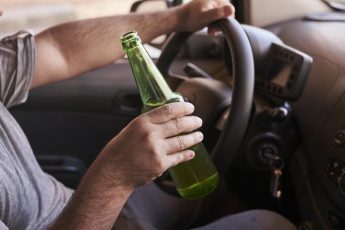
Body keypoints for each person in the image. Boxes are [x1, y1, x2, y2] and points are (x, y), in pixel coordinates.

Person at [0, 0, 296, 229]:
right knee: (273, 224)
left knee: (215, 192)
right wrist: (114, 176)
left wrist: (178, 17)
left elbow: (61, 50)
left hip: (74, 206)